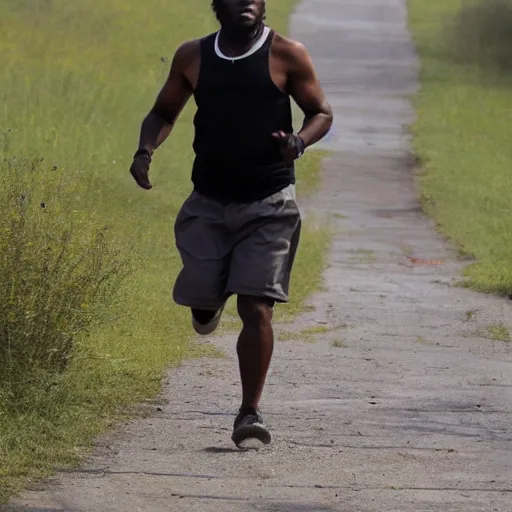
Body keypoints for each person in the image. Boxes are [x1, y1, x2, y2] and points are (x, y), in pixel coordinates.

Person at [129, 0, 333, 448]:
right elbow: (163, 113)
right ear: (217, 5)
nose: (247, 1)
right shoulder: (193, 56)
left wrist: (298, 141)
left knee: (256, 305)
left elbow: (322, 112)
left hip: (270, 202)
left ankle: (249, 412)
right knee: (202, 298)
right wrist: (145, 151)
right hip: (209, 200)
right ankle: (209, 300)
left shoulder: (286, 54)